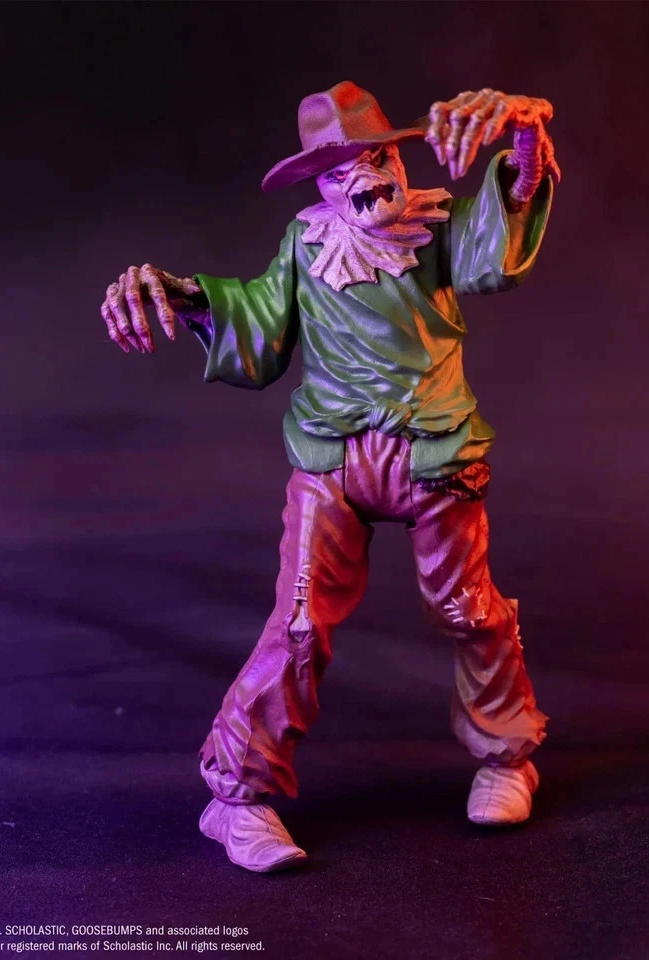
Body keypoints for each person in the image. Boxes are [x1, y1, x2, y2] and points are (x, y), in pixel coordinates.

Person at [99, 82, 560, 873]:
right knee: (300, 624)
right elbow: (259, 330)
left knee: (469, 607)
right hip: (333, 461)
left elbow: (500, 245)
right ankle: (235, 797)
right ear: (320, 183)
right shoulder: (306, 245)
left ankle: (508, 755)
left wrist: (525, 140)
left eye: (377, 160)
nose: (366, 182)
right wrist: (186, 297)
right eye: (341, 172)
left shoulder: (436, 227)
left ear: (398, 158)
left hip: (435, 454)